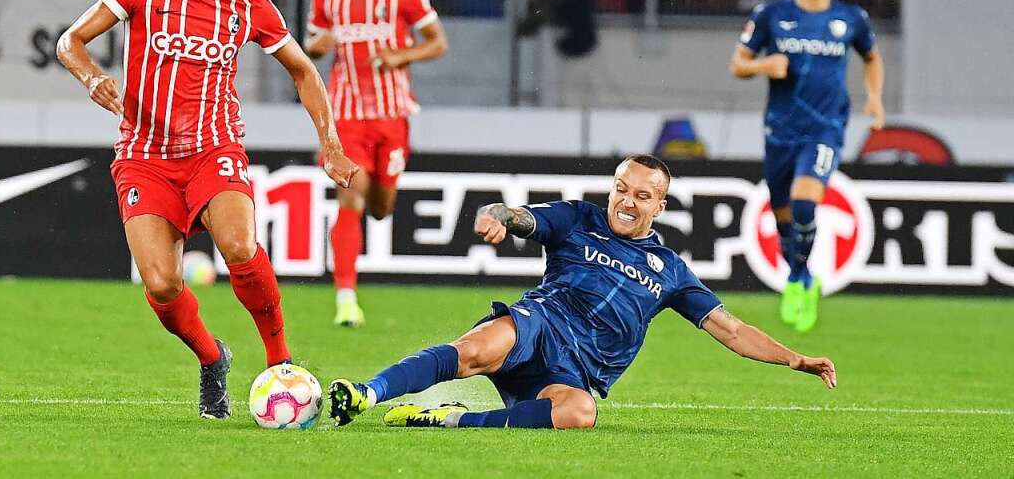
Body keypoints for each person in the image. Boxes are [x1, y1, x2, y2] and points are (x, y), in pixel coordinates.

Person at [56, 0, 359, 419]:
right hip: (144, 154)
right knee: (162, 283)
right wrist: (91, 77)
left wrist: (330, 143)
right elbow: (70, 41)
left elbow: (305, 70)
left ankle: (280, 362)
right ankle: (212, 356)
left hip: (213, 147)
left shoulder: (248, 2)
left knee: (240, 246)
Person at [324, 155, 837, 430]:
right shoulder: (578, 219)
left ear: (659, 205)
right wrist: (500, 217)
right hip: (538, 325)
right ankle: (365, 394)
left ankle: (448, 419)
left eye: (642, 195)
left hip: (572, 372)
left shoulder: (670, 271)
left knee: (580, 414)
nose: (626, 201)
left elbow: (731, 329)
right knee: (474, 349)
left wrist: (794, 360)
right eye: (621, 188)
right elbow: (524, 218)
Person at [730, 0, 885, 332]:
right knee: (784, 219)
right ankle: (799, 273)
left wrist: (875, 97)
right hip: (780, 131)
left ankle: (799, 279)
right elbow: (739, 63)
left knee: (804, 205)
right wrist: (764, 66)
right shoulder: (771, 15)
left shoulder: (850, 18)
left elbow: (872, 58)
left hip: (826, 128)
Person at [304, 0, 448, 328]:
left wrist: (401, 55)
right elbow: (312, 41)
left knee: (381, 205)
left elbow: (437, 43)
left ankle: (377, 208)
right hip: (344, 116)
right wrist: (318, 46)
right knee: (351, 196)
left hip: (392, 116)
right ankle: (346, 297)